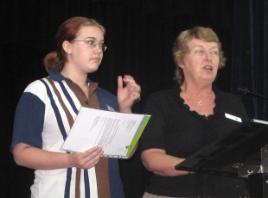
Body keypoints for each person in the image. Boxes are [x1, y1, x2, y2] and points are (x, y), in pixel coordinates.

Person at [10, 16, 141, 198]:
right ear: (68, 46)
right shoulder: (40, 91)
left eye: (101, 45)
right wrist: (71, 159)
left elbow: (127, 152)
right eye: (90, 42)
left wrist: (126, 109)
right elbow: (21, 154)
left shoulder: (107, 98)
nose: (98, 51)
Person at [140, 26, 250, 197]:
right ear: (181, 60)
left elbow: (247, 154)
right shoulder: (161, 102)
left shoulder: (233, 103)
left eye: (214, 52)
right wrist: (199, 166)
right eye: (200, 51)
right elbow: (152, 159)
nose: (209, 58)